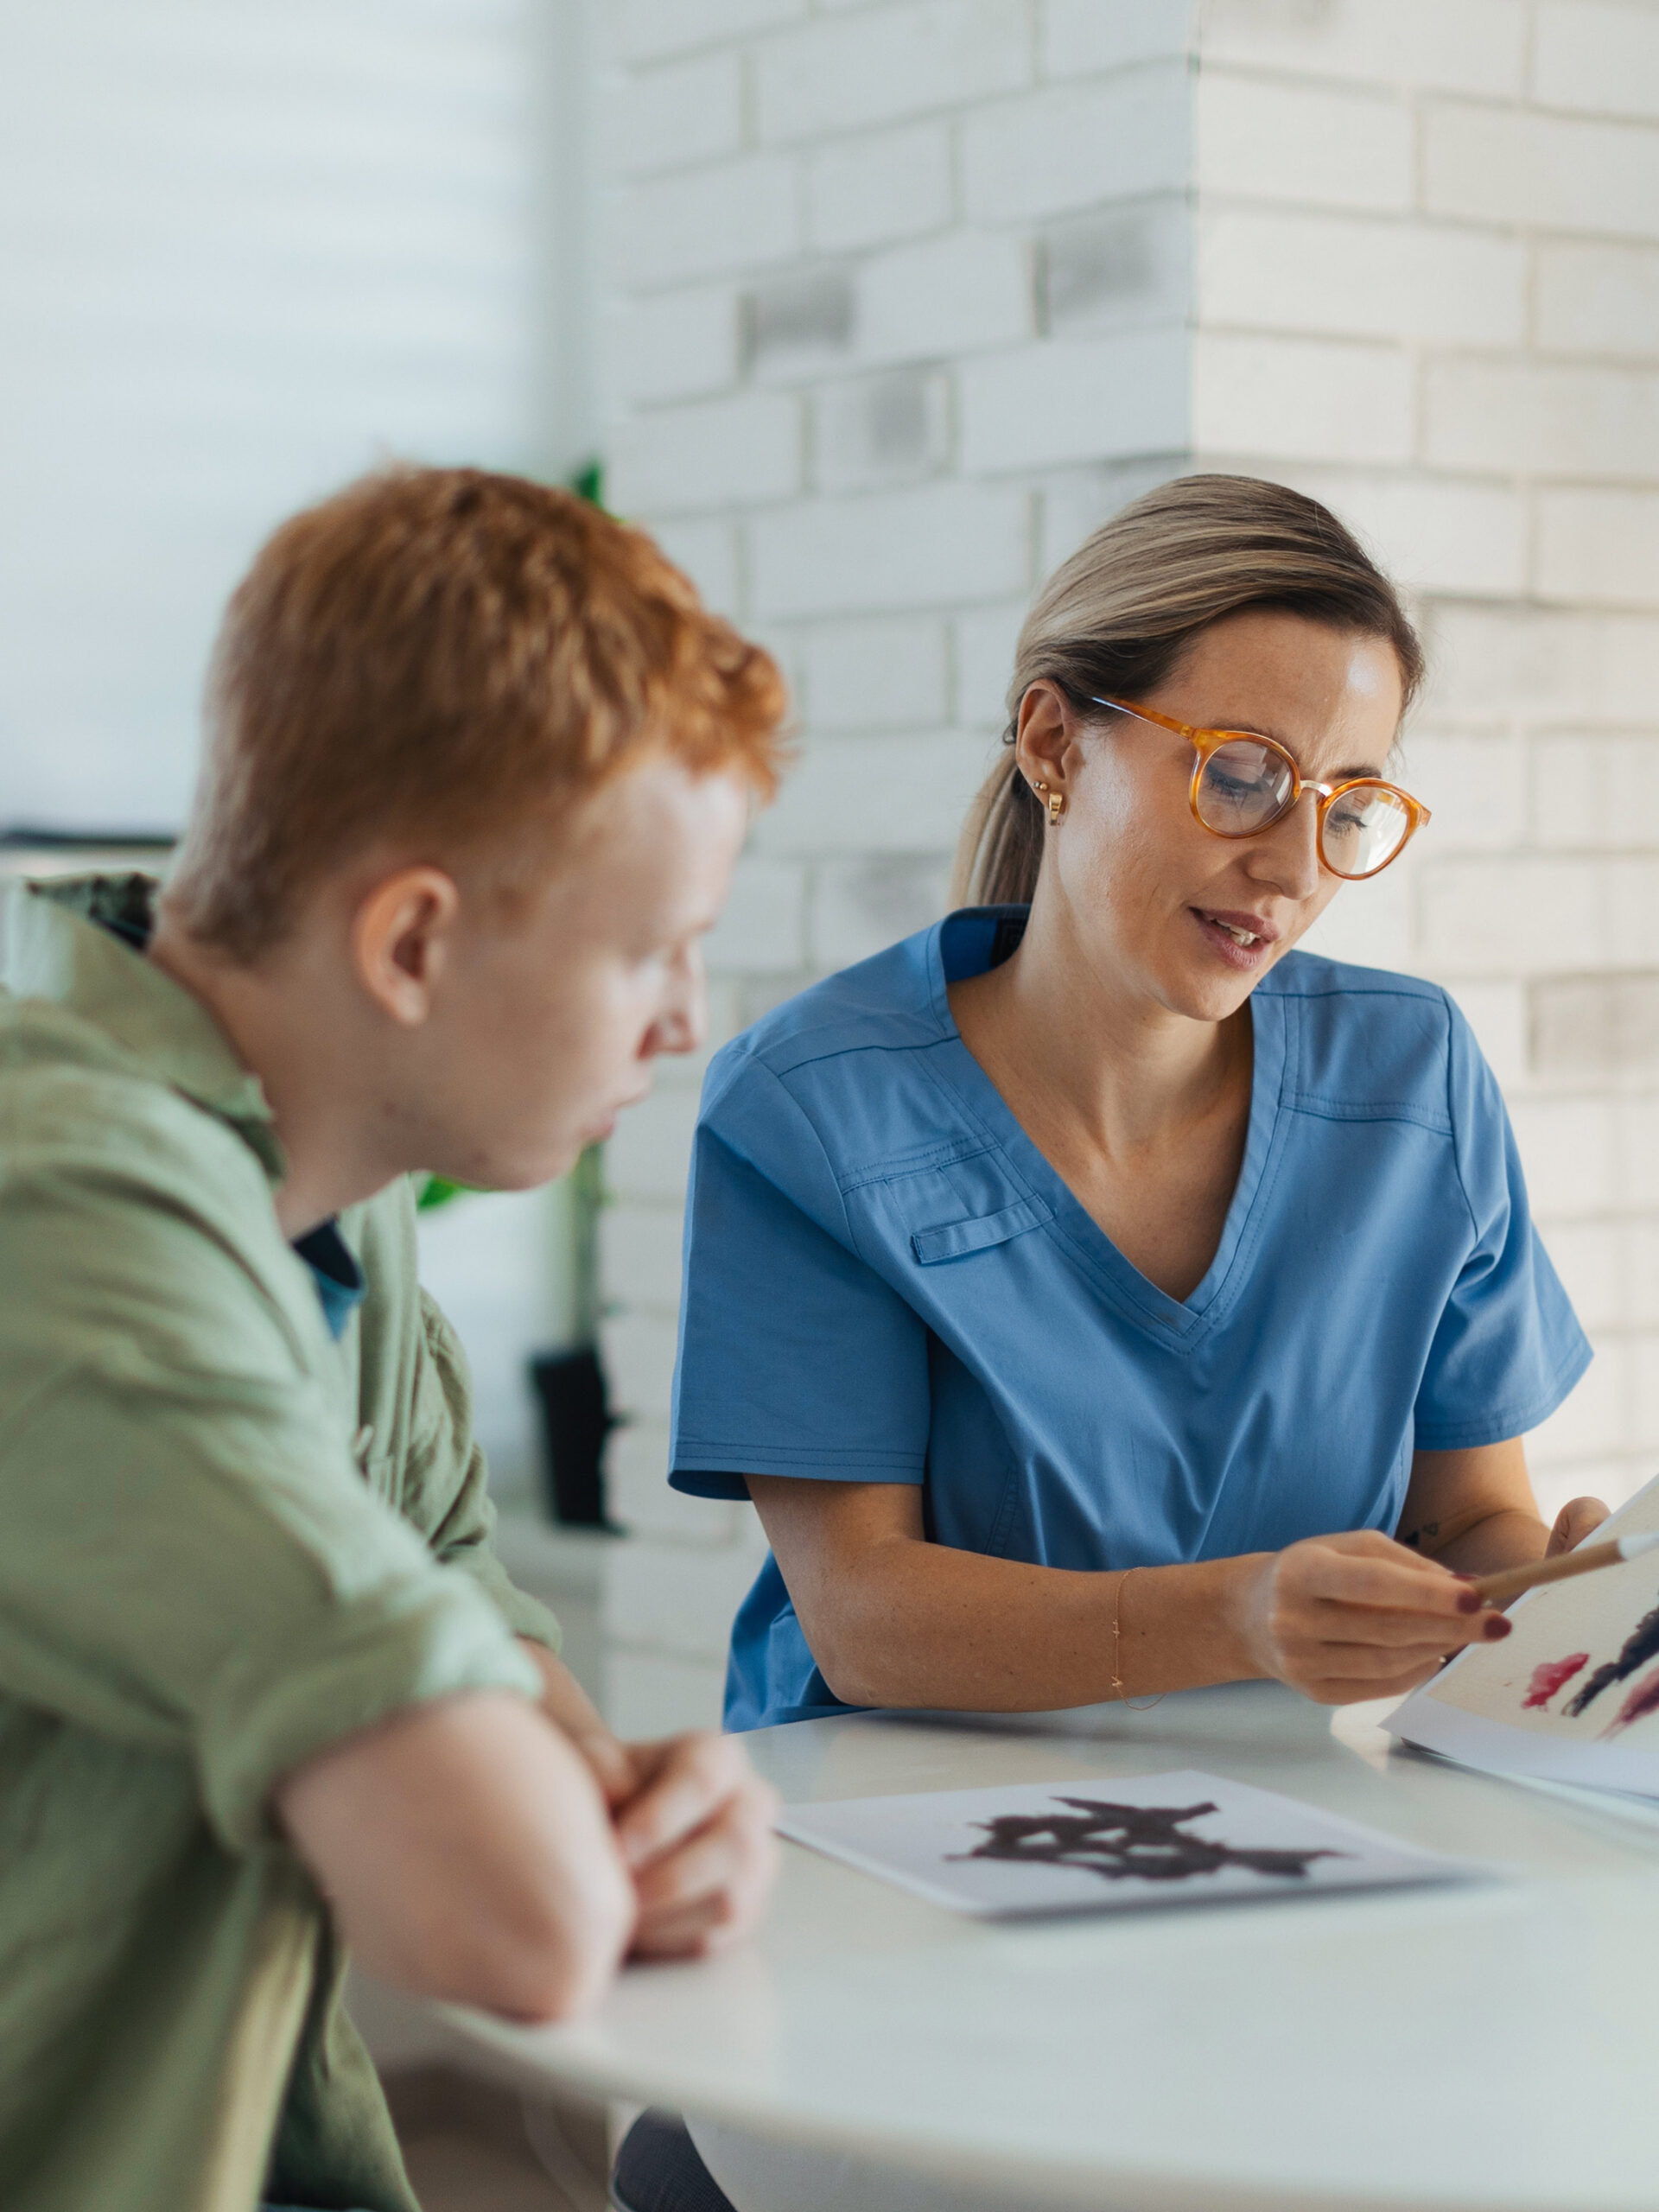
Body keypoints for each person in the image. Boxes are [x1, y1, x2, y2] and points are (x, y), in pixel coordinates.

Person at [0, 467, 784, 2212]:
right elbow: (516, 1916)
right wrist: (570, 1839)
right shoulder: (63, 1212)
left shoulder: (330, 1167)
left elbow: (467, 1623)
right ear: (413, 941)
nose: (685, 1021)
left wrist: (647, 1814)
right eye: (652, 949)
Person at [669, 473, 1607, 1738]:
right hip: (901, 1810)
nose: (1294, 867)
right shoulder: (811, 1110)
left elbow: (1467, 1519)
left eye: (1347, 805)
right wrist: (1237, 1617)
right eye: (1242, 775)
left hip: (1286, 1802)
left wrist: (1538, 1598)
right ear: (1055, 744)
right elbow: (862, 1616)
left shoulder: (1413, 1074)